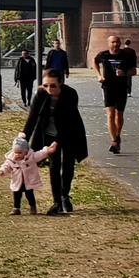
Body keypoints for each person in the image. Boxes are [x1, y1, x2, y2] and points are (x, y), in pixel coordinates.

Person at [23, 69, 88, 215]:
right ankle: (57, 201)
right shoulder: (41, 94)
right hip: (49, 134)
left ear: (61, 84)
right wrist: (23, 138)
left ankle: (65, 194)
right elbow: (32, 118)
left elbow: (69, 121)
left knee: (68, 165)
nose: (49, 89)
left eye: (53, 86)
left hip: (70, 133)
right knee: (54, 166)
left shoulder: (70, 94)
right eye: (46, 85)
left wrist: (59, 141)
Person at [93, 32, 135, 154]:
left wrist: (125, 74)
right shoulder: (103, 55)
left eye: (117, 42)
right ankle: (114, 141)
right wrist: (99, 75)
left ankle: (117, 135)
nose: (115, 44)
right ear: (108, 43)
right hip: (108, 87)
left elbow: (133, 71)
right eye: (113, 42)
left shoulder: (126, 55)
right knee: (110, 114)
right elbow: (95, 61)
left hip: (121, 87)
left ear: (120, 43)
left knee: (119, 114)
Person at [0, 134, 55, 215]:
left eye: (20, 153)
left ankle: (33, 207)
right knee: (17, 195)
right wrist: (2, 170)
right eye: (16, 152)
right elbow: (6, 166)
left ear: (25, 152)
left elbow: (40, 154)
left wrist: (47, 151)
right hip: (17, 181)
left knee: (29, 194)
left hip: (28, 181)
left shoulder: (31, 157)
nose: (17, 155)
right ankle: (16, 208)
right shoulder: (11, 159)